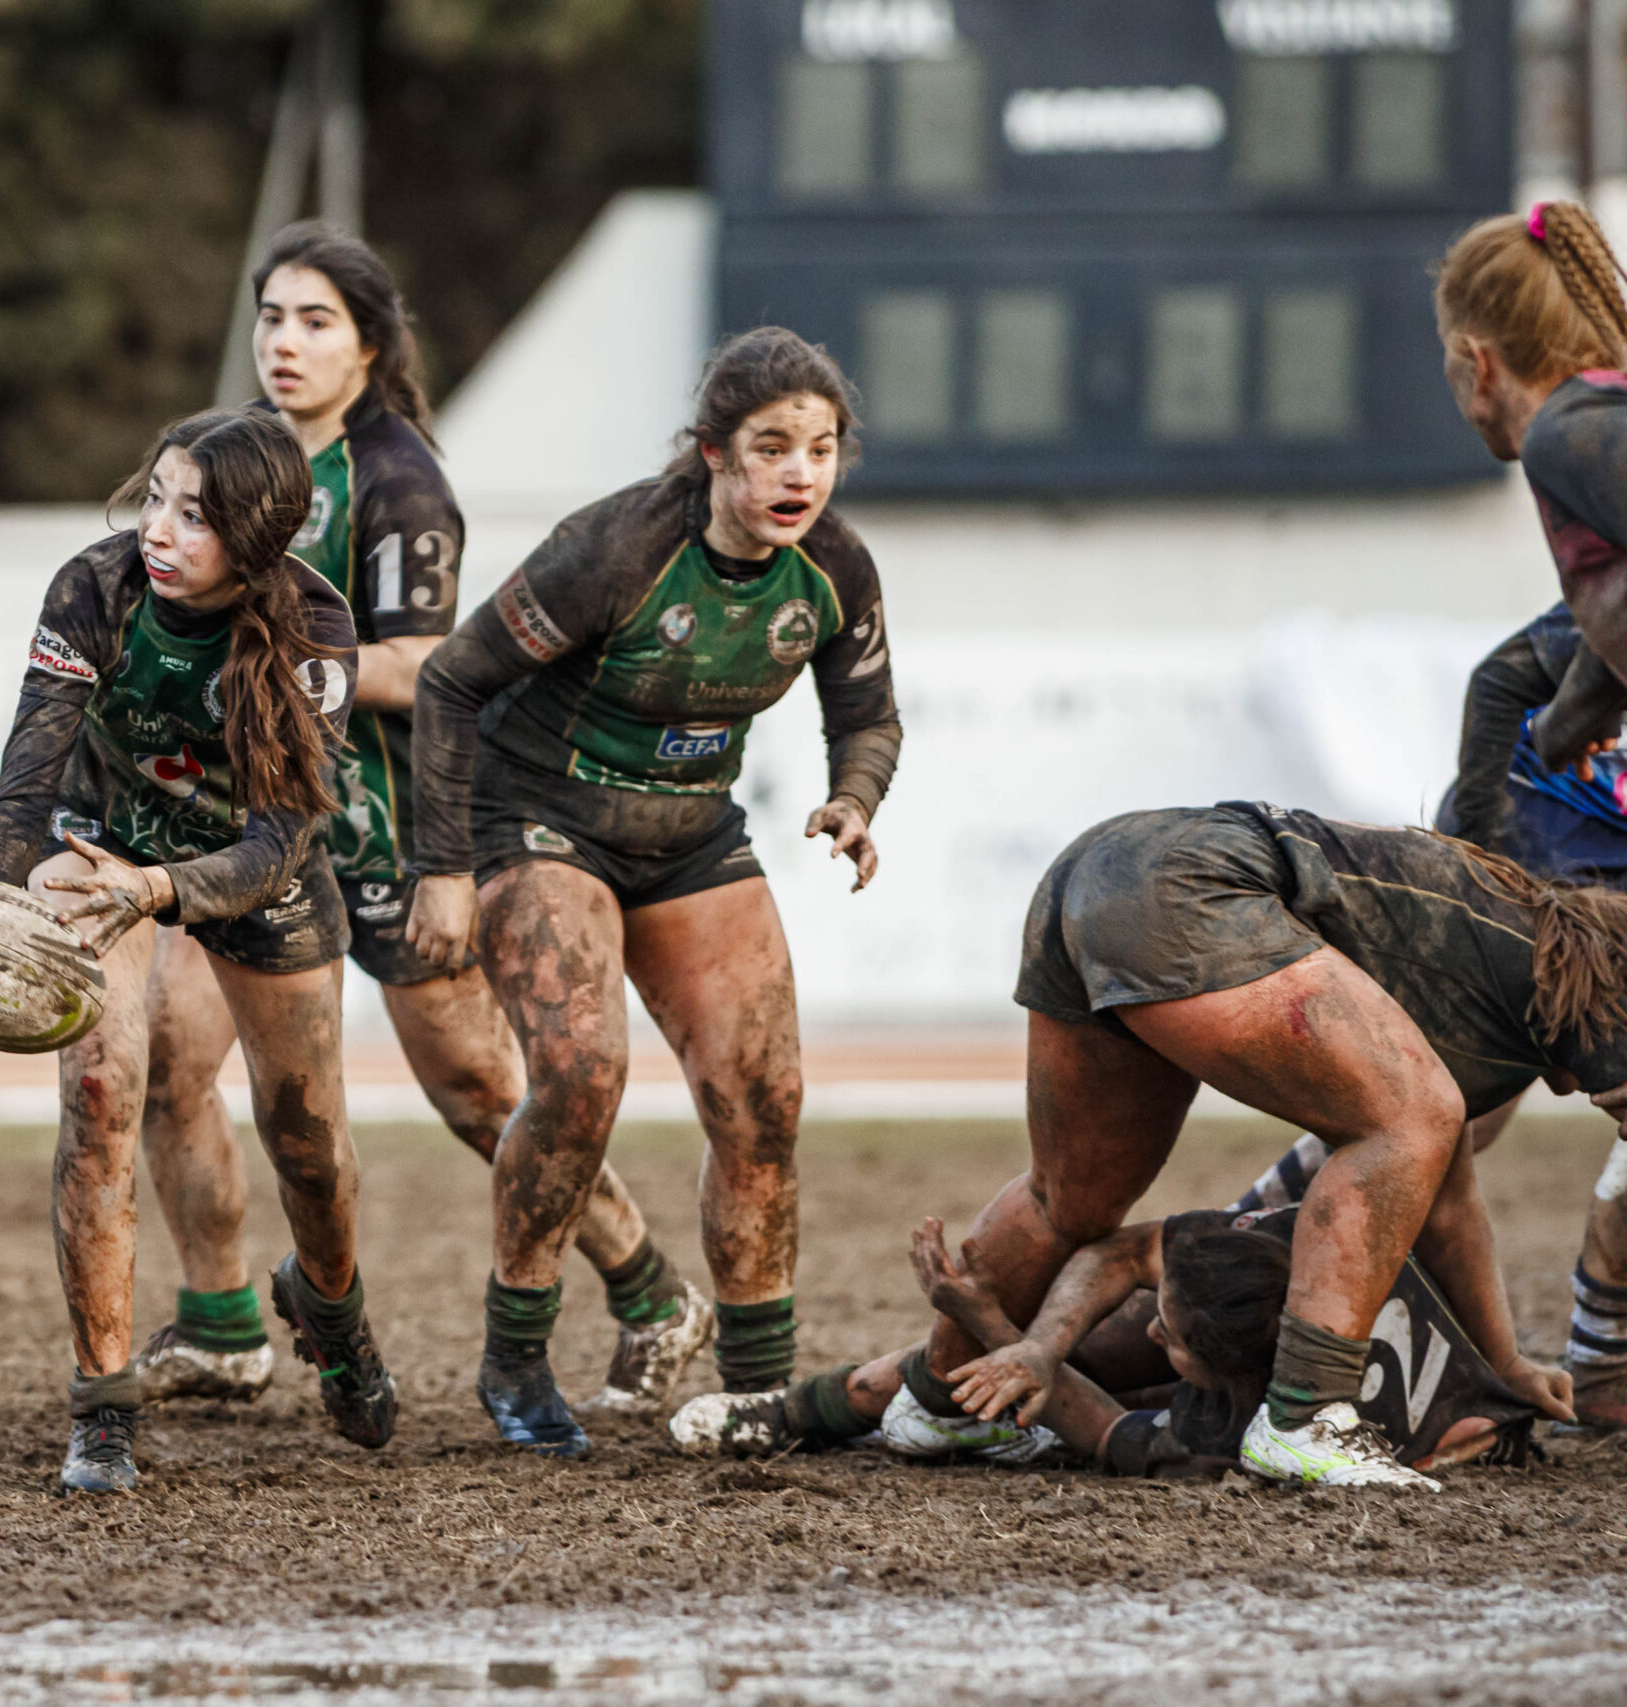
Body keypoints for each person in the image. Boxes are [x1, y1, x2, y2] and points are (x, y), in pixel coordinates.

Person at [128, 224, 710, 1417]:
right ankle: (223, 1324)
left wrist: (273, 659)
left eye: (316, 321)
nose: (285, 342)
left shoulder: (397, 480)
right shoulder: (235, 457)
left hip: (390, 825)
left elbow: (422, 665)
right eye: (272, 317)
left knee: (481, 1097)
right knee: (169, 1059)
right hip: (249, 827)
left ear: (370, 344)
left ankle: (652, 1290)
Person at [696, 804, 1608, 1488]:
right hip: (1190, 890)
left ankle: (942, 1399)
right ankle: (1305, 1417)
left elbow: (1444, 1192)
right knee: (1409, 1120)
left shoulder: (1517, 959)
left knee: (1070, 1198)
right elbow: (1422, 1145)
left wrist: (1506, 1364)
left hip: (1102, 867)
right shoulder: (1561, 978)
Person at [402, 327, 901, 1458]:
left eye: (820, 450)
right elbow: (450, 683)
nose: (800, 474)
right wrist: (441, 868)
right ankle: (517, 1354)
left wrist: (854, 797)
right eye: (771, 448)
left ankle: (757, 1388)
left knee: (763, 1096)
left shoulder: (836, 567)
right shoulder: (617, 548)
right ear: (713, 453)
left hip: (688, 834)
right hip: (540, 816)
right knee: (582, 1075)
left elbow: (868, 715)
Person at [0, 407, 394, 1495]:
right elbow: (24, 785)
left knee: (309, 1147)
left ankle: (331, 1307)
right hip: (97, 843)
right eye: (154, 497)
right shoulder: (93, 588)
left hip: (252, 871)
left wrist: (158, 890)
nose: (157, 529)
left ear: (256, 537)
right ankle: (102, 1406)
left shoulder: (314, 627)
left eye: (193, 515)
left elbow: (277, 843)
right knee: (99, 1095)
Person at [1229, 602, 1627, 1427]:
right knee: (1441, 1105)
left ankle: (1602, 1350)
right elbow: (1501, 681)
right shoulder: (1608, 593)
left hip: (1590, 848)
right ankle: (1236, 1242)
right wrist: (1477, 858)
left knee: (1444, 1109)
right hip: (1540, 832)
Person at [896, 1212, 1541, 1486]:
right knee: (1106, 1354)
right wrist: (1039, 1347)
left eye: (1171, 1338)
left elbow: (1104, 1431)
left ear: (1233, 1377)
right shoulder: (1313, 1233)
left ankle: (861, 1404)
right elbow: (1129, 1250)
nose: (1153, 1333)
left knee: (1115, 1384)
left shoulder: (1239, 1431)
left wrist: (988, 1322)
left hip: (1470, 1433)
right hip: (1491, 1408)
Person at [1434, 199, 1627, 776]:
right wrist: (1570, 720)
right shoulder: (1591, 420)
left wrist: (1568, 719)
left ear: (1478, 364)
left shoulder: (1561, 435)